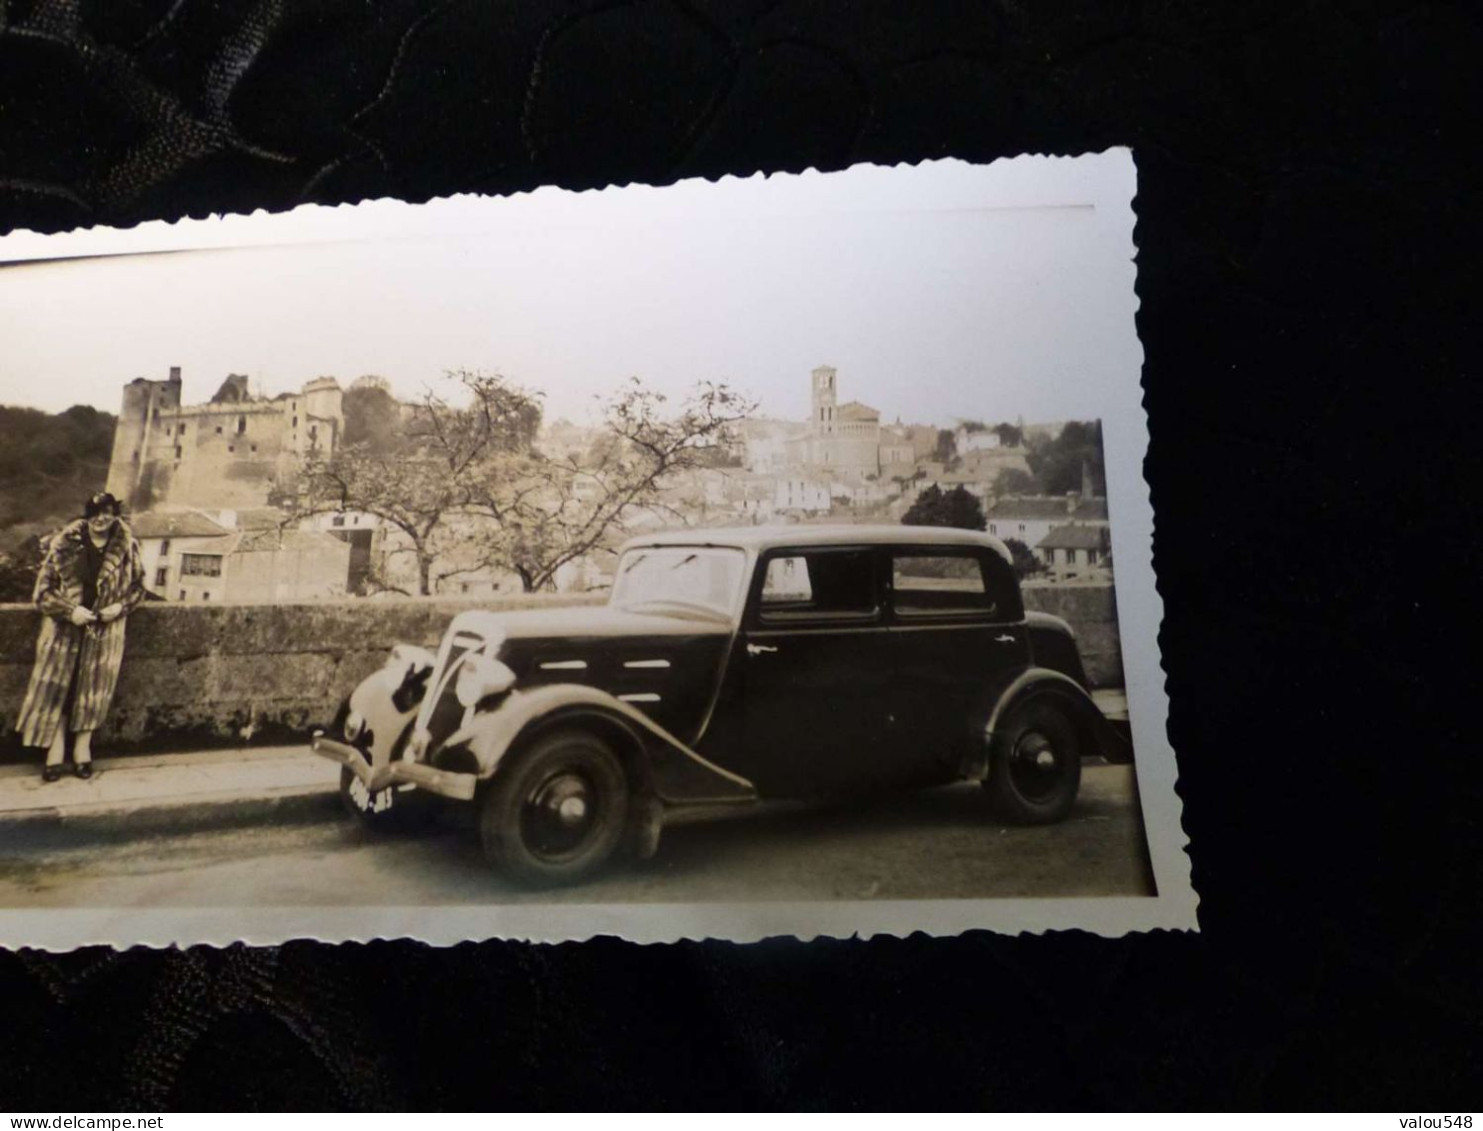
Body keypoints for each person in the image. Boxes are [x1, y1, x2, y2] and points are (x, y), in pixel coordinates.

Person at [16, 492, 146, 782]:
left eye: (109, 513)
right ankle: (55, 751)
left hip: (102, 633)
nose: (102, 519)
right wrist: (68, 610)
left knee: (92, 694)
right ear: (88, 515)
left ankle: (82, 751)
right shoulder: (64, 544)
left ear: (116, 515)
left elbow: (138, 587)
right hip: (64, 632)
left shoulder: (127, 546)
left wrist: (120, 607)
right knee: (60, 692)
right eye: (96, 513)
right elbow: (42, 593)